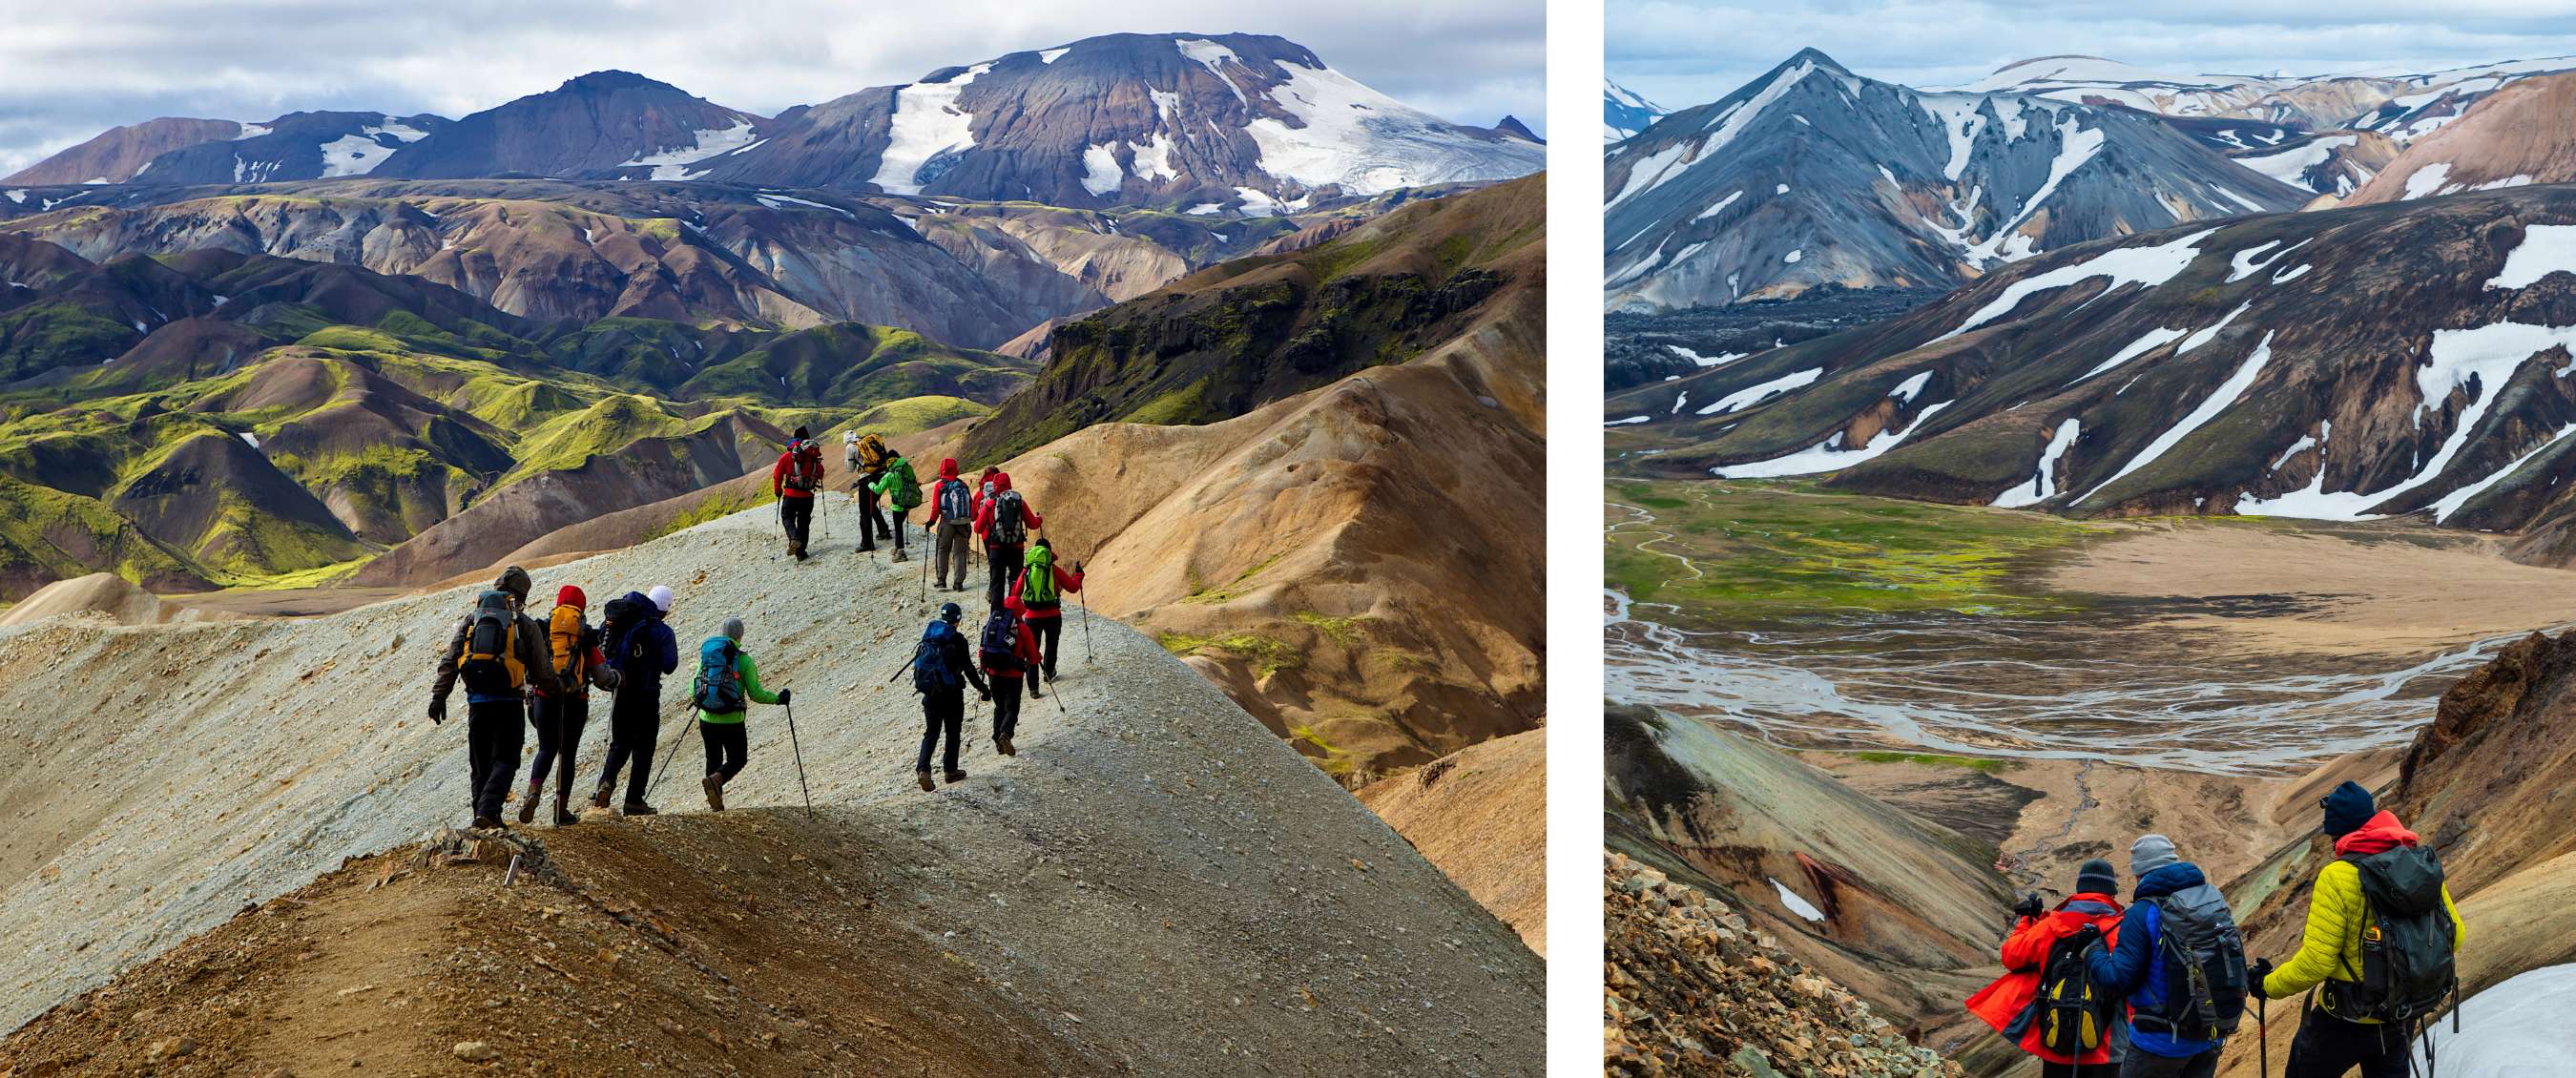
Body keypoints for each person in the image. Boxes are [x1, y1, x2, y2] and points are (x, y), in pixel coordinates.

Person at [2252, 781, 2464, 1078]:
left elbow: (2317, 962)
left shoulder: (2337, 876)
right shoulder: (2417, 862)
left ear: (2338, 833)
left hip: (2346, 1019)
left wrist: (2267, 985)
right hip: (2401, 1014)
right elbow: (2456, 935)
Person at [2081, 836, 2245, 1078]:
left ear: (2138, 873)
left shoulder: (2143, 912)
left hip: (2158, 1045)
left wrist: (2093, 949)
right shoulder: (2208, 900)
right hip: (2209, 1036)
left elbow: (2118, 980)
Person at [426, 566, 563, 830]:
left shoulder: (472, 620)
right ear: (521, 595)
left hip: (477, 703)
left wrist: (438, 697)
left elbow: (451, 660)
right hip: (509, 703)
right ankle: (489, 811)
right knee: (507, 759)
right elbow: (542, 672)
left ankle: (482, 818)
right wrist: (557, 690)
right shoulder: (524, 624)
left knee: (480, 765)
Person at [1965, 859, 2129, 1076]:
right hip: (2108, 1049)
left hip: (2056, 1042)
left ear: (2079, 889)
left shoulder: (2049, 927)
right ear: (2111, 893)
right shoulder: (2124, 930)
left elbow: (2011, 956)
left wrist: (2027, 920)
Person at [522, 585, 619, 826]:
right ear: (581, 606)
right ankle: (561, 810)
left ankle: (533, 793)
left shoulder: (543, 630)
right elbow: (601, 676)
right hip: (576, 701)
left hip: (544, 698)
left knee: (546, 749)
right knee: (568, 754)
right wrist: (617, 678)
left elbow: (528, 667)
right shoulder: (585, 635)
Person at [593, 584, 679, 816]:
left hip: (620, 691)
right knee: (644, 747)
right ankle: (634, 800)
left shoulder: (623, 620)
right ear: (665, 609)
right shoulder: (661, 630)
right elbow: (671, 665)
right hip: (647, 695)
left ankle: (606, 783)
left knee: (619, 743)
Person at [691, 616, 786, 812]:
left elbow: (694, 689)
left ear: (721, 633)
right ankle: (717, 781)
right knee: (738, 759)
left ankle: (715, 803)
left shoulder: (708, 656)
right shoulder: (744, 660)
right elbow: (756, 693)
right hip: (732, 720)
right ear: (740, 635)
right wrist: (778, 699)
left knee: (713, 759)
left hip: (706, 718)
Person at [910, 602, 989, 791]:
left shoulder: (930, 635)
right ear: (958, 619)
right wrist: (984, 689)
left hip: (930, 694)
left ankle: (923, 769)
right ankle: (950, 770)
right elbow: (969, 670)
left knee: (931, 733)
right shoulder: (958, 640)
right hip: (952, 695)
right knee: (953, 732)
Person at [1008, 537, 1085, 682]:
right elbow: (1073, 587)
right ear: (1048, 552)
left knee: (1031, 648)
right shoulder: (1053, 569)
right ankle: (1049, 673)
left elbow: (1015, 593)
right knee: (1051, 643)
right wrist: (1079, 575)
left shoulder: (1027, 570)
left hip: (1031, 616)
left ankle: (1033, 686)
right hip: (1053, 615)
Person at [979, 595, 1045, 757]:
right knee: (1012, 707)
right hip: (1013, 674)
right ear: (1020, 609)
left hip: (993, 673)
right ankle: (1006, 734)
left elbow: (983, 649)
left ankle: (998, 742)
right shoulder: (1022, 628)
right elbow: (1033, 654)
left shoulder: (992, 624)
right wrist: (1035, 660)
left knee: (999, 707)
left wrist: (984, 668)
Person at [975, 469, 1039, 611]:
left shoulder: (990, 504)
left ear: (995, 486)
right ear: (1009, 484)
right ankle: (1013, 613)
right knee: (1015, 582)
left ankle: (996, 616)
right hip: (1016, 549)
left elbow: (978, 529)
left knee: (997, 583)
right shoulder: (1019, 502)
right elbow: (1033, 524)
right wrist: (1039, 519)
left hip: (997, 550)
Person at [772, 425, 825, 560]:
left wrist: (778, 490)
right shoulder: (813, 456)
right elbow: (821, 474)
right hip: (807, 496)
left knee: (787, 517)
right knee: (804, 523)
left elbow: (777, 475)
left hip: (791, 494)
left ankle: (794, 537)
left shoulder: (788, 455)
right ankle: (801, 553)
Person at [926, 457, 976, 591]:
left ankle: (941, 580)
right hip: (963, 523)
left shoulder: (940, 485)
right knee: (960, 552)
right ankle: (958, 583)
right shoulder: (963, 485)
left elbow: (936, 507)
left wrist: (931, 521)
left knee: (943, 550)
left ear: (942, 469)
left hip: (946, 522)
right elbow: (970, 504)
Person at [867, 446, 921, 562]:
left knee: (898, 528)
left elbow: (878, 490)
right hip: (908, 503)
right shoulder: (907, 469)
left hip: (897, 506)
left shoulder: (889, 475)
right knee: (899, 526)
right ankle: (897, 547)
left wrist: (870, 484)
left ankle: (901, 553)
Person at [851, 431, 893, 551]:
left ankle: (867, 543)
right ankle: (884, 530)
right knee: (870, 505)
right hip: (881, 475)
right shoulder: (869, 442)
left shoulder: (853, 447)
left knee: (864, 512)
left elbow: (850, 468)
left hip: (867, 479)